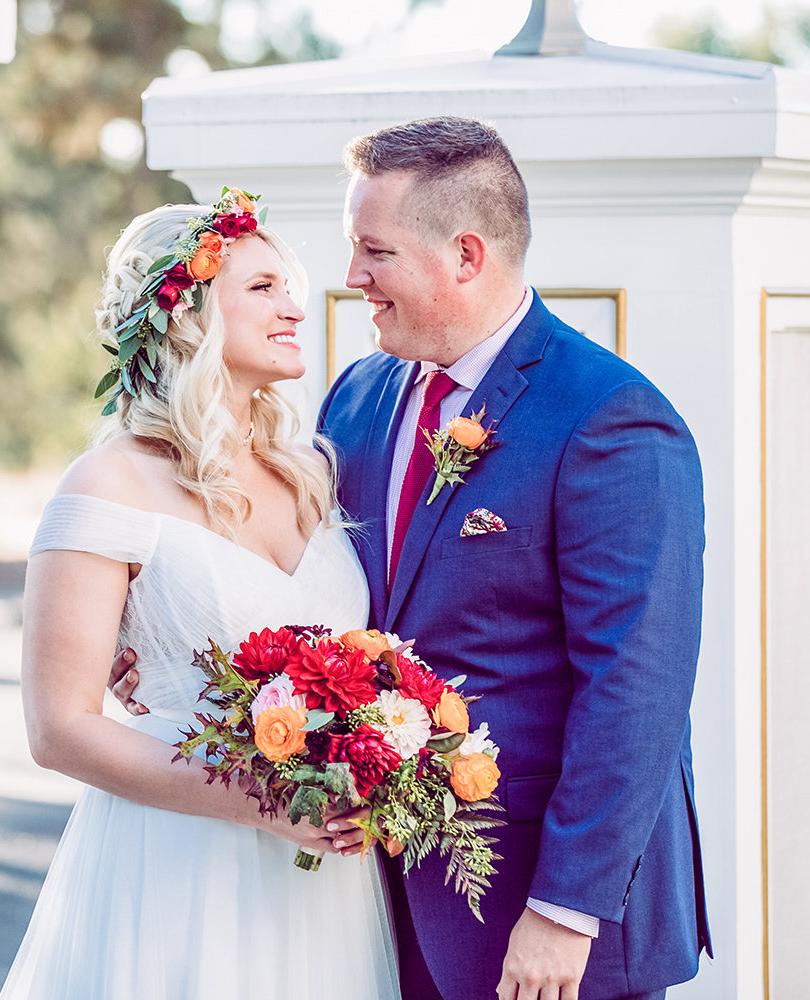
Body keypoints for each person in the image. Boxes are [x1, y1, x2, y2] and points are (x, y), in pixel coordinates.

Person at [115, 118, 711, 1000]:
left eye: (373, 251)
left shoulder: (611, 422)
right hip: (367, 900)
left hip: (538, 914)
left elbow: (639, 688)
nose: (351, 277)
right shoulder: (361, 393)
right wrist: (168, 642)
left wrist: (564, 909)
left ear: (465, 255)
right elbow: (298, 573)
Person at [0, 194, 400, 999]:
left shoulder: (313, 469)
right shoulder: (108, 483)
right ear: (186, 310)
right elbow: (59, 728)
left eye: (289, 287)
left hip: (326, 876)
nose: (295, 308)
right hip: (179, 864)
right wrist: (262, 800)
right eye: (262, 289)